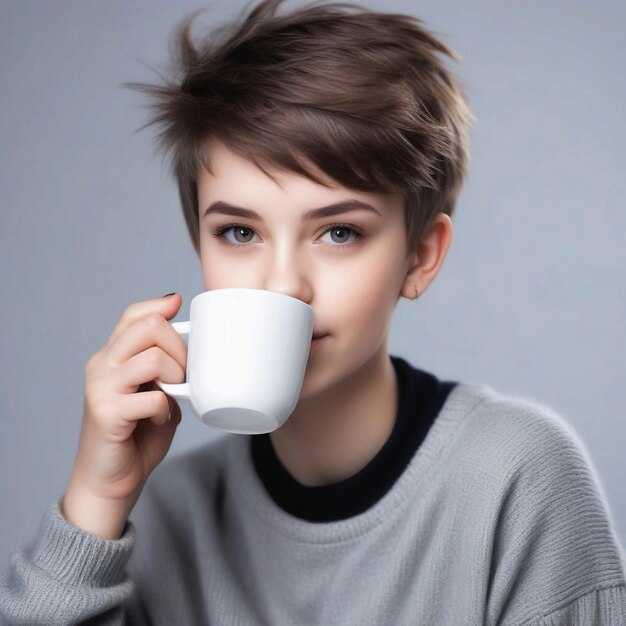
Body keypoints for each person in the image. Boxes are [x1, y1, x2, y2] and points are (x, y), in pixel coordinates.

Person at [1, 0, 625, 624]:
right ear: (199, 247)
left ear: (419, 256)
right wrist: (96, 500)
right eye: (240, 234)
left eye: (339, 233)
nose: (283, 285)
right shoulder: (168, 514)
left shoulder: (517, 479)